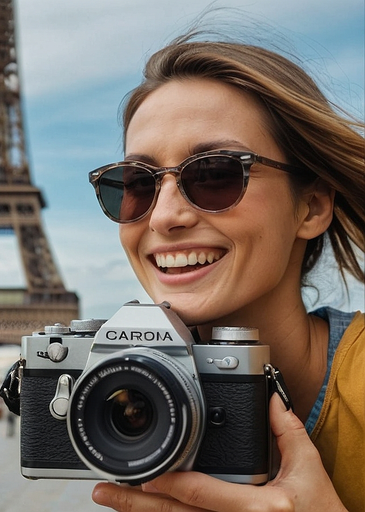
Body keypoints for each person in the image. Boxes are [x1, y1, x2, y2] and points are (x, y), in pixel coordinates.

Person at [87, 19, 365, 512]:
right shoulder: (122, 405)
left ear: (312, 206)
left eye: (215, 174)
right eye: (135, 184)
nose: (165, 216)